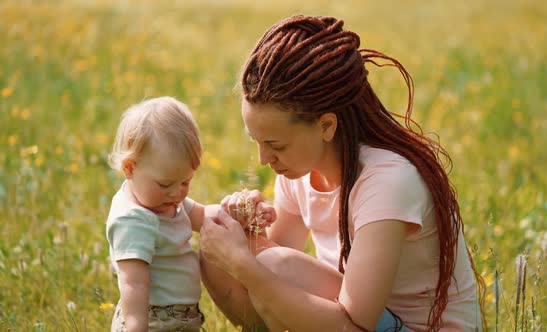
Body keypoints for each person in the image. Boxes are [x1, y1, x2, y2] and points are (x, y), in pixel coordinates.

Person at [199, 15, 485, 332]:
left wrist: (243, 264)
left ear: (326, 126)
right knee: (221, 243)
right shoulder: (299, 170)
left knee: (271, 267)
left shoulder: (387, 182)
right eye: (257, 142)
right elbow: (270, 264)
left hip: (408, 327)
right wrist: (246, 232)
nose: (264, 159)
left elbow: (355, 325)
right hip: (366, 321)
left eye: (275, 144)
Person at [106, 97, 209, 331]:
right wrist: (135, 326)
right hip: (153, 321)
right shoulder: (133, 220)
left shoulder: (166, 203)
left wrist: (235, 214)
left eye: (186, 182)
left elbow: (203, 216)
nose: (176, 193)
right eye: (165, 184)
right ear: (130, 168)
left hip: (181, 318)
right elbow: (133, 283)